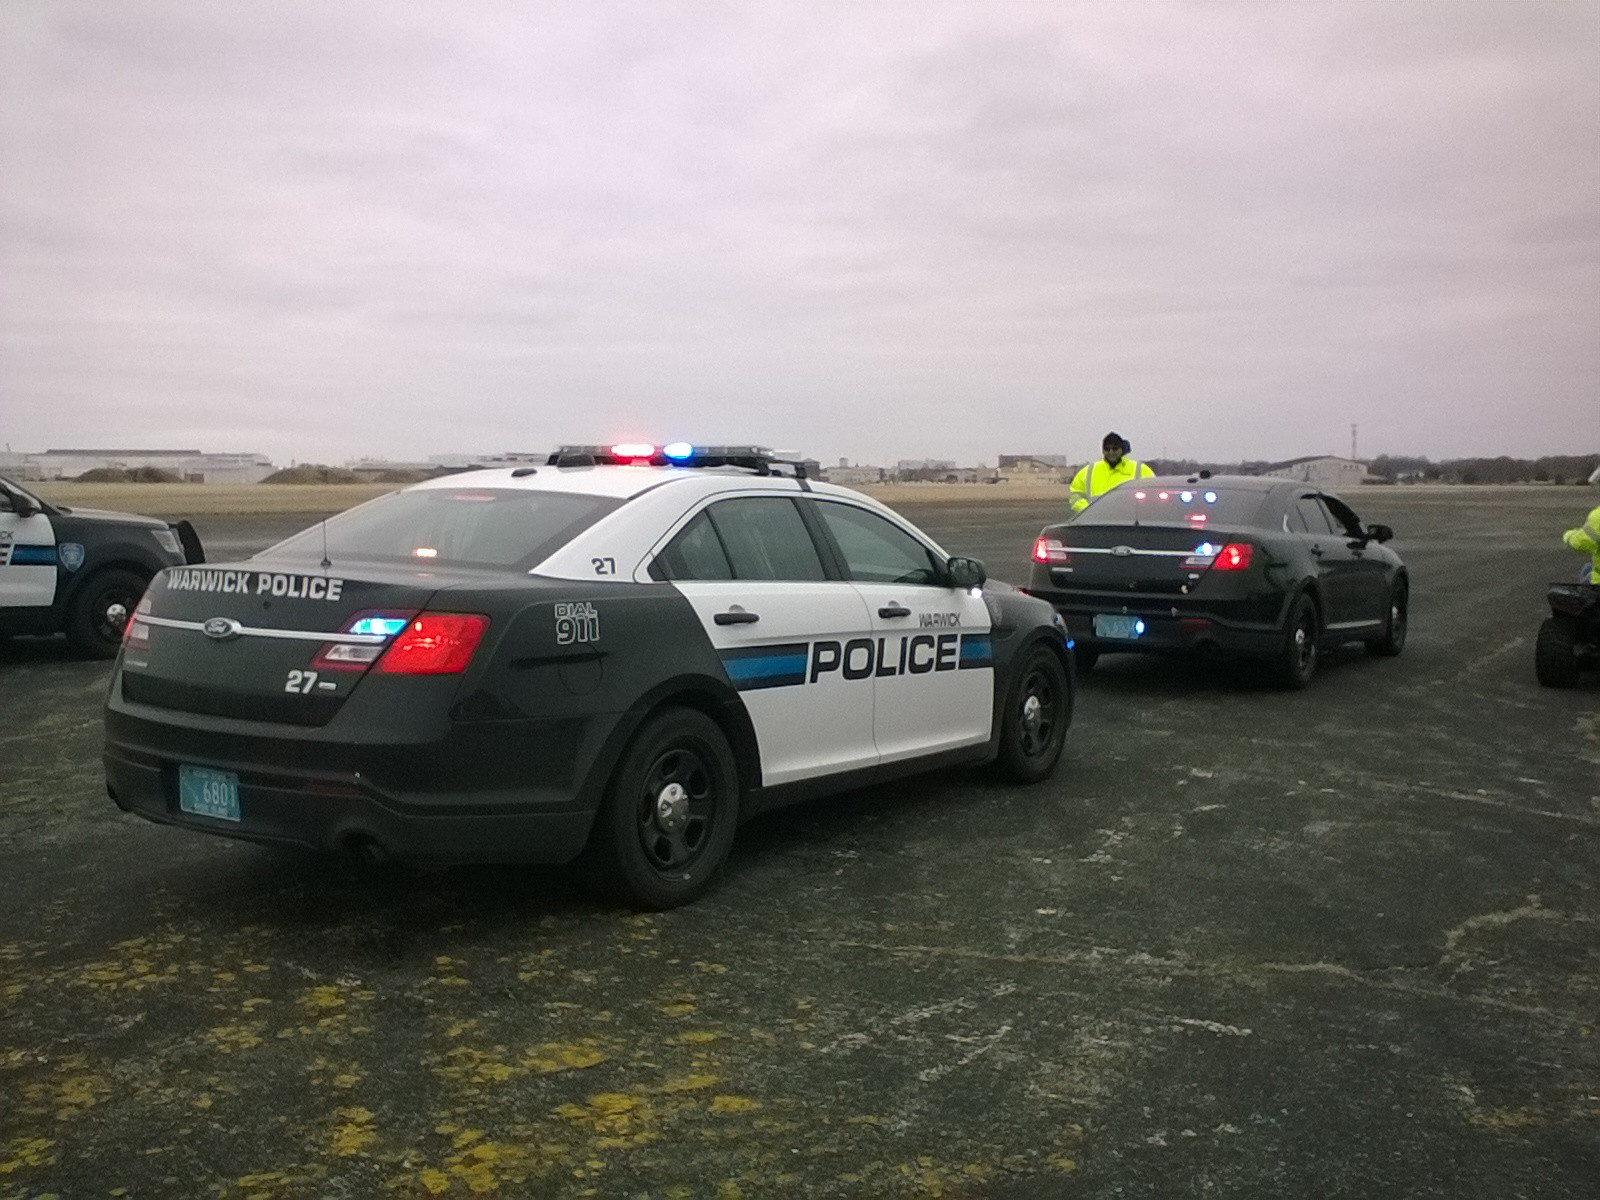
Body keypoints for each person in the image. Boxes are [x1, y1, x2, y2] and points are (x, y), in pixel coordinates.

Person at [1069, 431, 1154, 513]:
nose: (1111, 452)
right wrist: (1089, 511)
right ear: (1102, 451)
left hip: (1130, 524)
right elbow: (1075, 497)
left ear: (1122, 450)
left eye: (1115, 449)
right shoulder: (1088, 471)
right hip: (1097, 524)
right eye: (1107, 449)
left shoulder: (1141, 470)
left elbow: (1153, 495)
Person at [1562, 504, 1600, 584]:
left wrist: (1568, 536)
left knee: (1587, 570)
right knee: (1588, 567)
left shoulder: (1598, 516)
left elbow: (1582, 543)